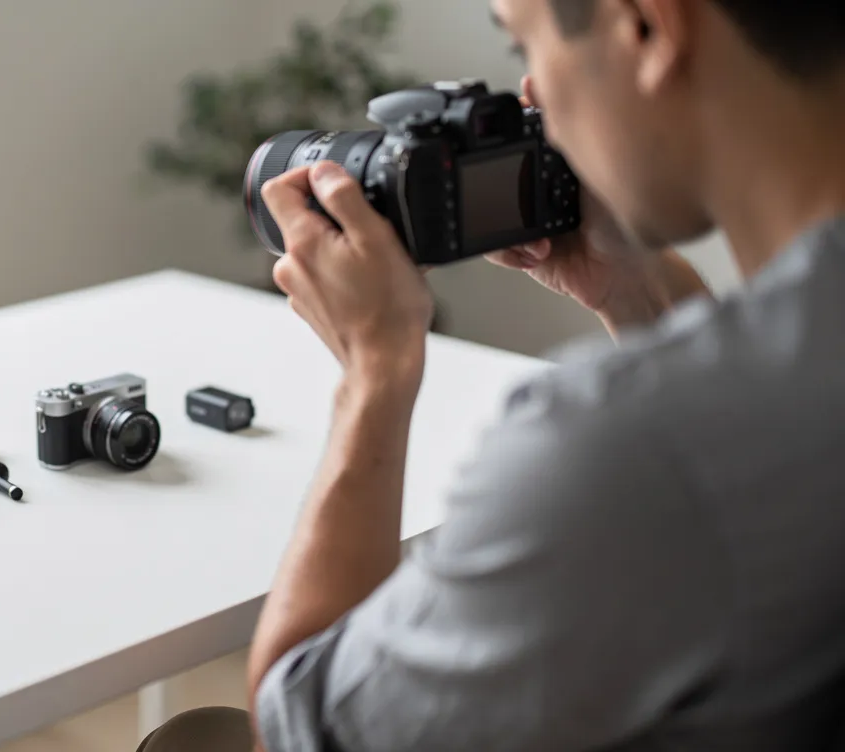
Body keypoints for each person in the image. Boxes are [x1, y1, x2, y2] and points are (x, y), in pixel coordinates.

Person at [135, 0, 845, 750]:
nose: (539, 105)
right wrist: (637, 292)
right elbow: (754, 436)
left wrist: (375, 373)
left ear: (646, 26)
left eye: (524, 46)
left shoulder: (615, 451)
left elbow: (302, 727)